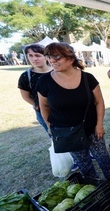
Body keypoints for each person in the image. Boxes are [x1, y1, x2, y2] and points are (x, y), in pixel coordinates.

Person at [36, 42, 110, 185]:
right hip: (67, 132)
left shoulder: (88, 78)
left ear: (70, 58)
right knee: (82, 160)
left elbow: (99, 102)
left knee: (102, 155)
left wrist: (99, 124)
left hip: (91, 127)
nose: (52, 60)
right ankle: (93, 183)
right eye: (49, 56)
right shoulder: (44, 81)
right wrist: (49, 125)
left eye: (57, 56)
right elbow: (43, 105)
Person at [17, 44, 79, 172]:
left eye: (38, 55)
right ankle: (73, 159)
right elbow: (25, 95)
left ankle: (80, 154)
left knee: (75, 133)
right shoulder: (26, 76)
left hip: (64, 110)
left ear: (45, 57)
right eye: (31, 56)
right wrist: (37, 105)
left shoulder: (57, 70)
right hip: (44, 112)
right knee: (59, 137)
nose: (34, 59)